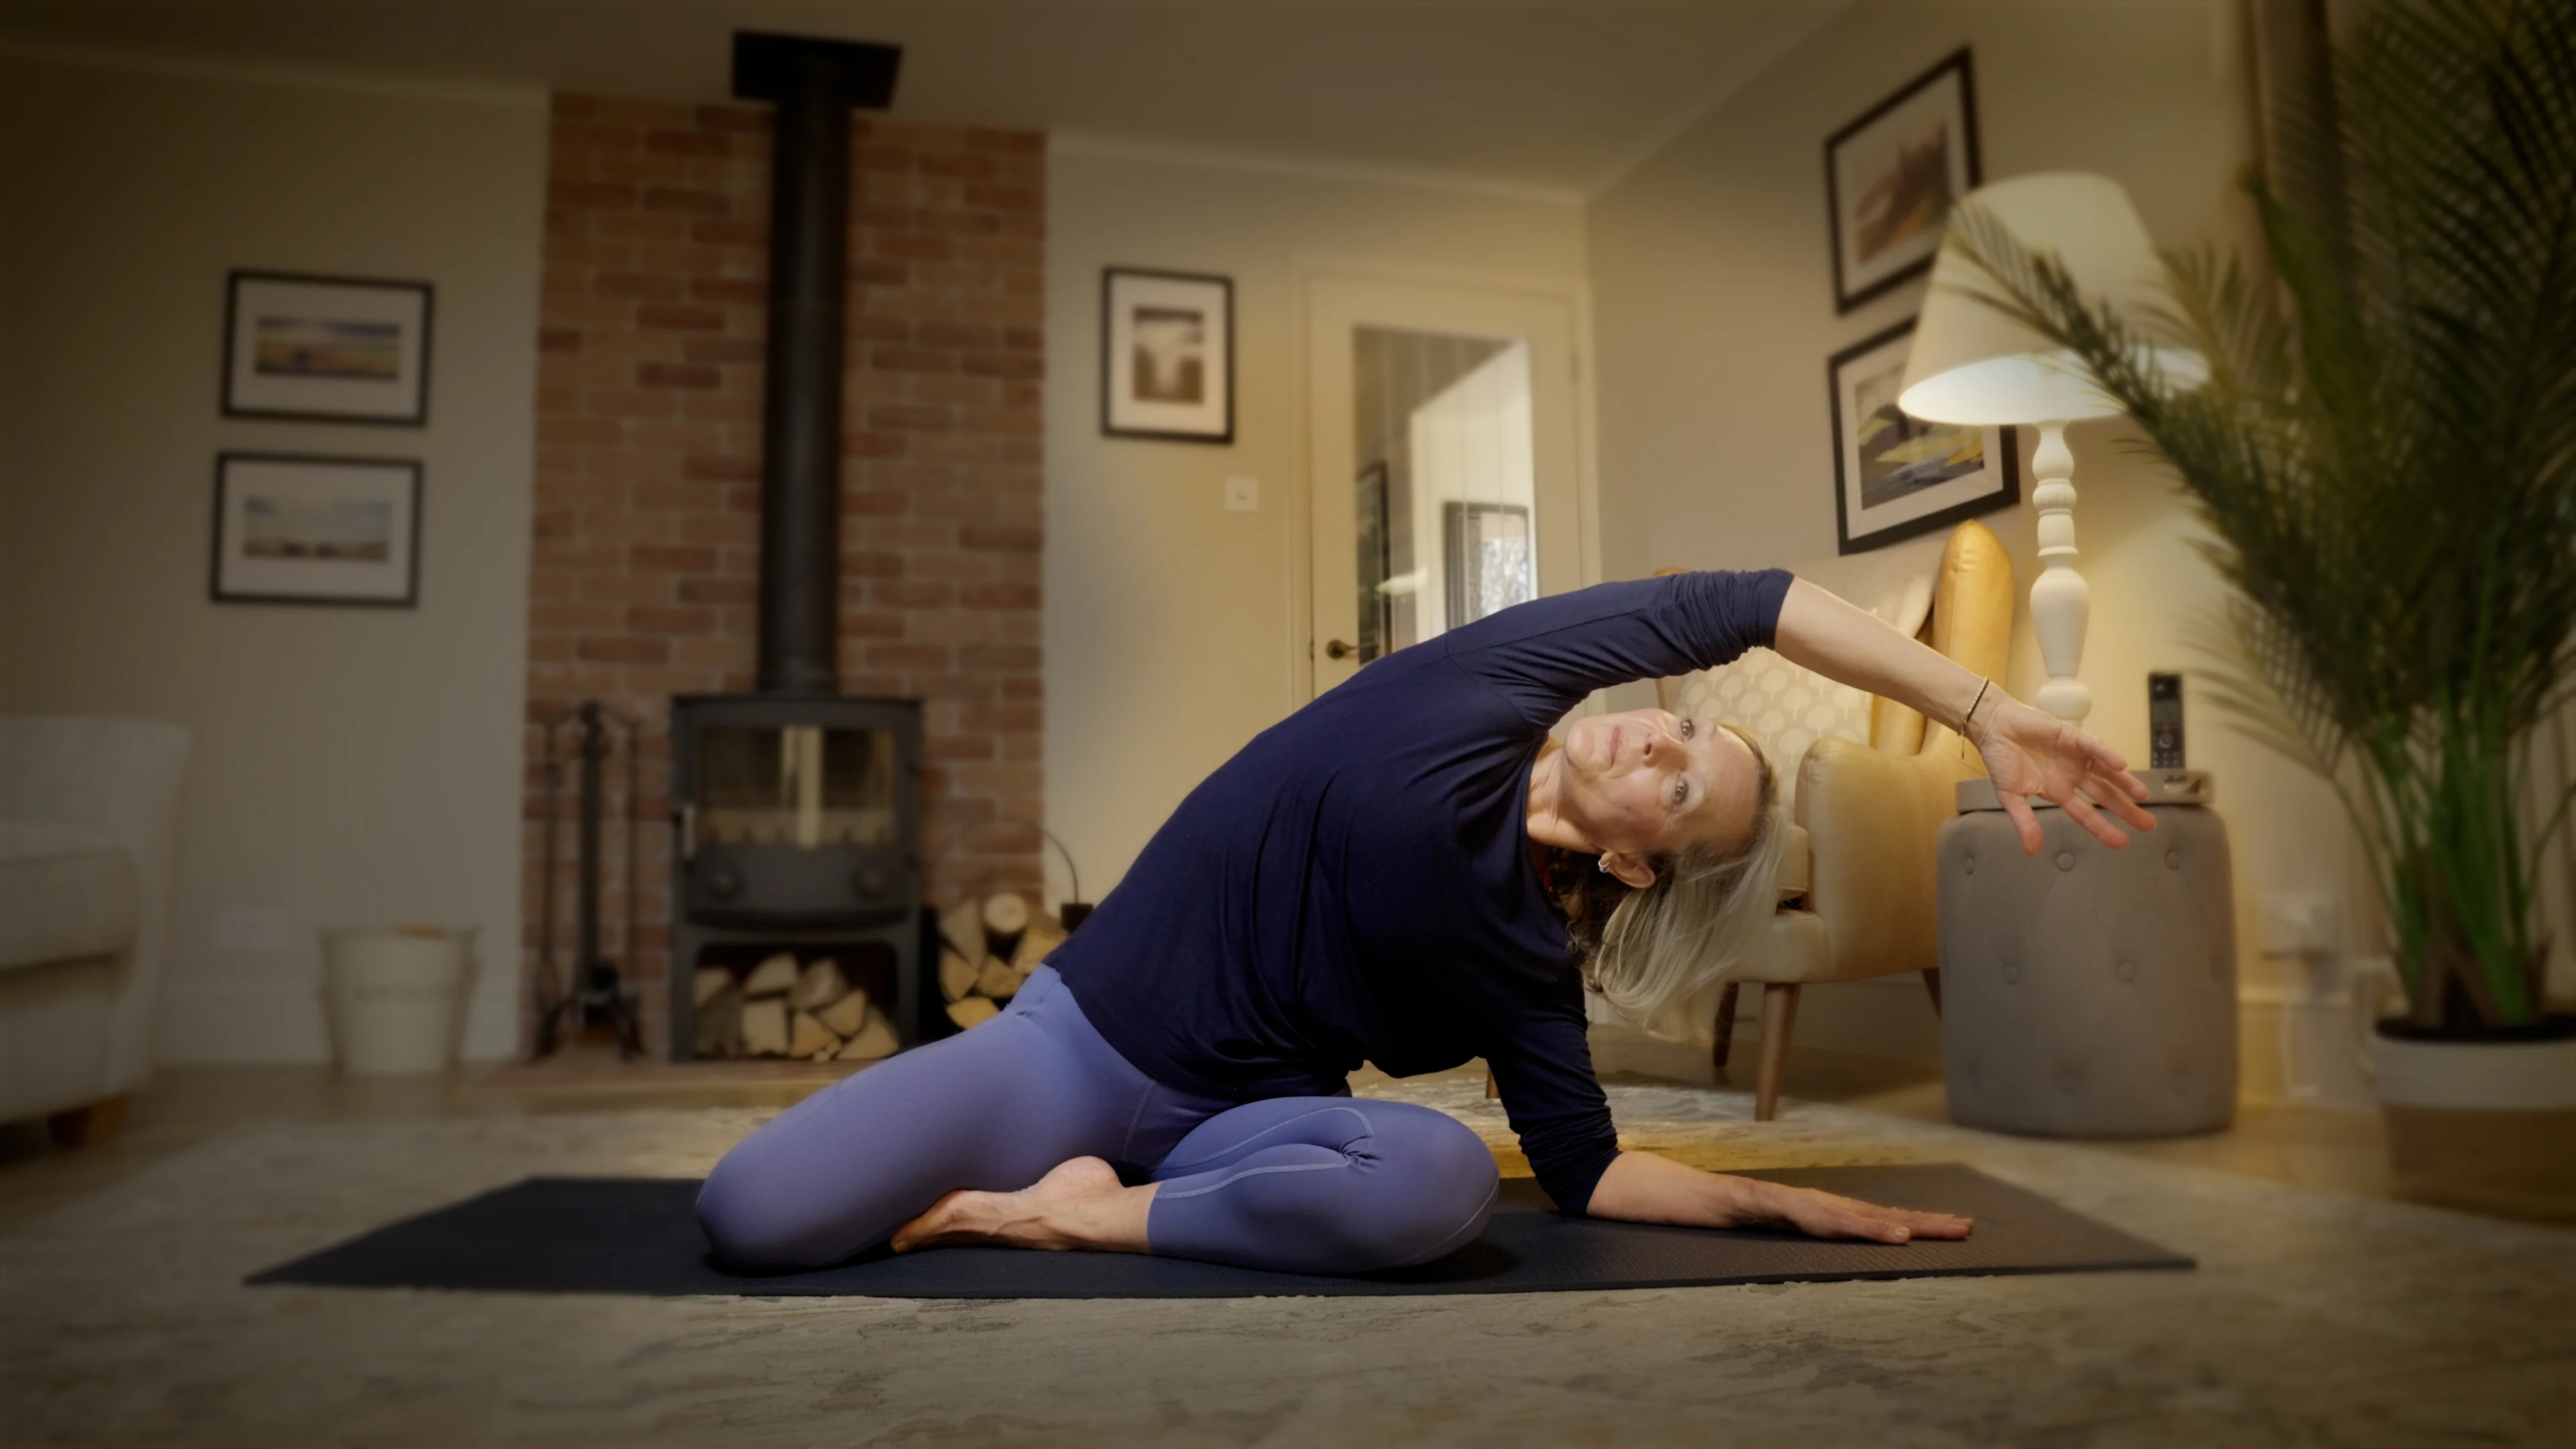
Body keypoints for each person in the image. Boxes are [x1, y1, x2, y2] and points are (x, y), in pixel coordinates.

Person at [696, 570, 2154, 1276]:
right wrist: (1981, 710)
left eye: (1682, 787)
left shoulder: (1524, 962)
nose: (1657, 740)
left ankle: (1075, 1213)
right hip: (1073, 1047)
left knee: (1443, 1186)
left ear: (1641, 864)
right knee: (751, 1216)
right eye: (1683, 732)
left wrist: (1781, 1206)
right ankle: (1076, 1174)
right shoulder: (1485, 682)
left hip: (1237, 1127)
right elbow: (1755, 599)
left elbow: (1586, 1174)